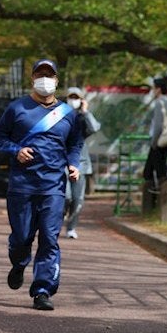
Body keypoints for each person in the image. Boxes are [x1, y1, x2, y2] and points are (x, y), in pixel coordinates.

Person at [0, 59, 82, 312]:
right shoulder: (16, 108)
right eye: (40, 74)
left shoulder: (68, 114)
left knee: (50, 239)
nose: (45, 79)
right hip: (22, 186)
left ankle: (42, 290)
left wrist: (73, 164)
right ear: (32, 79)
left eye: (49, 75)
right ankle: (19, 263)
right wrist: (16, 150)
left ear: (56, 80)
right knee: (22, 237)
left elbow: (75, 144)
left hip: (53, 186)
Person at [62, 87, 100, 239]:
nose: (73, 100)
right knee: (65, 197)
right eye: (70, 97)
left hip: (81, 164)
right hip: (62, 163)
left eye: (76, 97)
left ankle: (71, 228)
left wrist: (85, 111)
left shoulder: (83, 117)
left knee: (77, 199)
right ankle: (58, 219)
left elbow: (94, 128)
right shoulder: (60, 115)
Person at [143, 77, 167, 189]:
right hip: (166, 139)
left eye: (154, 88)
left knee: (151, 171)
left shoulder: (159, 102)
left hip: (159, 141)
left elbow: (158, 125)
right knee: (158, 169)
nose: (152, 90)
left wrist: (154, 142)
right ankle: (158, 197)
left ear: (158, 89)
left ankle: (157, 199)